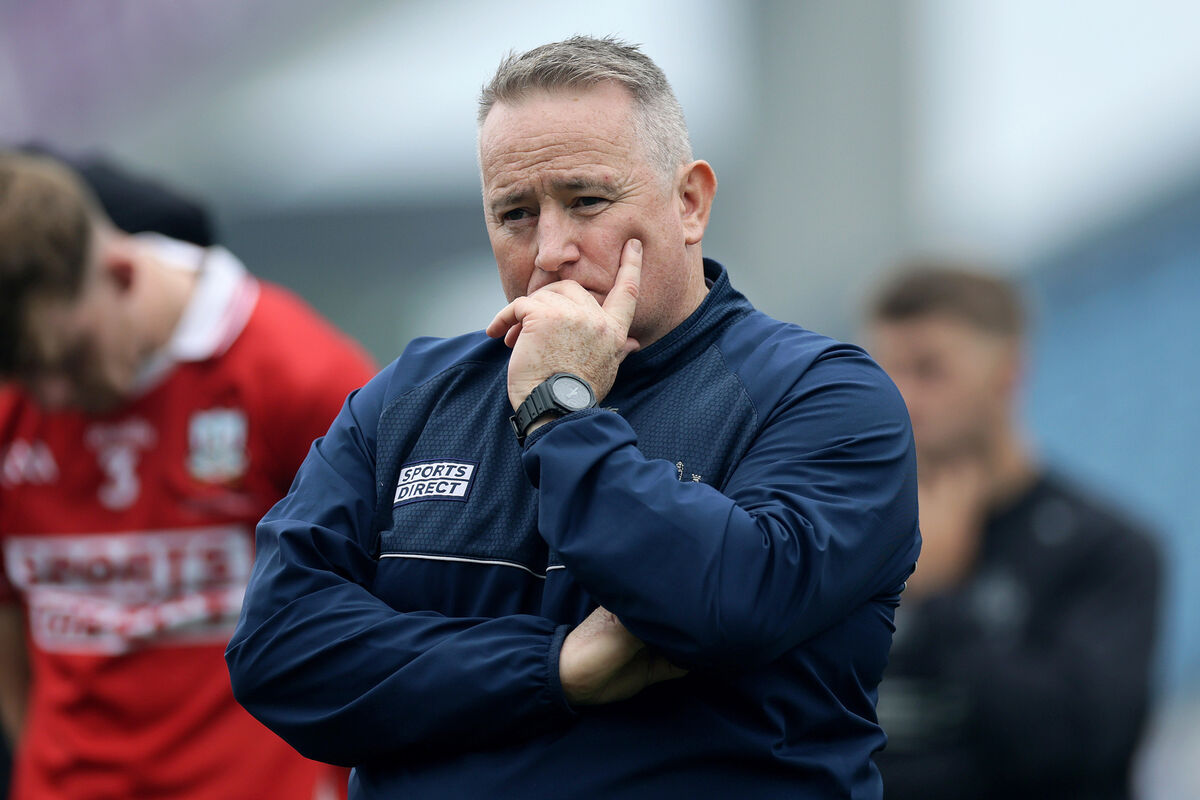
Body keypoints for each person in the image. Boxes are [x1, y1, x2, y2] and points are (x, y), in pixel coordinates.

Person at [226, 35, 920, 799]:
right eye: (515, 213)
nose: (551, 250)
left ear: (689, 203)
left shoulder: (823, 396)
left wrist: (558, 410)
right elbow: (278, 651)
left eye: (586, 201)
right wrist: (552, 668)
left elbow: (724, 607)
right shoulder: (409, 397)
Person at [0, 150, 377, 799]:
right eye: (25, 374)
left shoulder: (300, 375)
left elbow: (383, 609)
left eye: (69, 359)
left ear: (123, 273)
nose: (51, 396)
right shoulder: (14, 406)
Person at [865, 263, 1161, 800]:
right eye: (887, 372)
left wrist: (943, 594)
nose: (902, 397)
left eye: (930, 370)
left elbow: (1083, 750)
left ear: (1007, 372)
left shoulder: (1106, 550)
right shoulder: (849, 542)